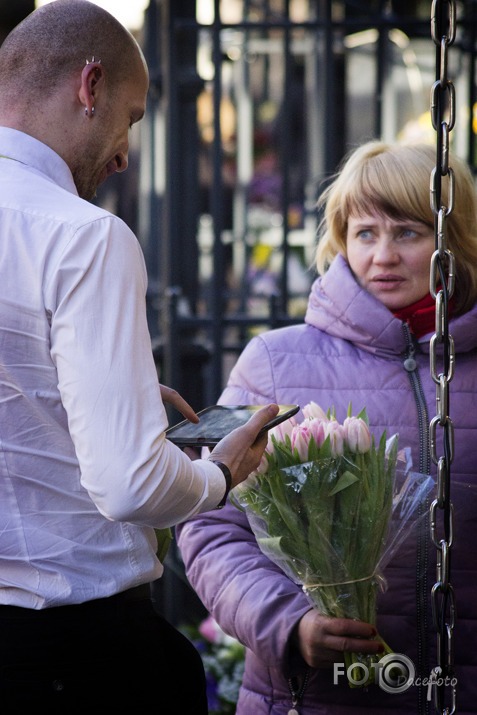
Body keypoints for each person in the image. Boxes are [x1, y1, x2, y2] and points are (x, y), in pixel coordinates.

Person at [0, 2, 279, 713]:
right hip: (68, 649)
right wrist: (217, 474)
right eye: (132, 115)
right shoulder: (83, 235)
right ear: (88, 86)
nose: (124, 152)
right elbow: (130, 486)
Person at [177, 141, 477, 714]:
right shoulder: (275, 363)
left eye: (408, 233)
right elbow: (210, 524)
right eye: (365, 233)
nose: (382, 256)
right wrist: (290, 624)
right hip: (316, 697)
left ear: (451, 237)